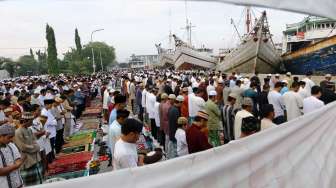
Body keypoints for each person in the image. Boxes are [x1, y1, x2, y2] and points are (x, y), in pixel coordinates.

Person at [14, 112, 43, 186]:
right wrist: (34, 147)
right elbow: (23, 147)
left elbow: (35, 142)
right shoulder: (18, 132)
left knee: (39, 182)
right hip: (27, 162)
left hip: (35, 159)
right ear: (26, 121)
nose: (32, 122)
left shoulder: (29, 130)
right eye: (31, 121)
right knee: (31, 184)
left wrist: (34, 147)